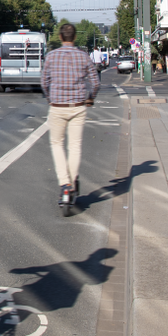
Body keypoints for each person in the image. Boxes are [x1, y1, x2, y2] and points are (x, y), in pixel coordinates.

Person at [41, 23, 100, 208]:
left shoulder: (51, 56)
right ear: (74, 37)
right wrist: (90, 98)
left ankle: (64, 183)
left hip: (57, 106)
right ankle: (72, 184)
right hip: (78, 106)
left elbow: (44, 82)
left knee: (56, 144)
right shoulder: (83, 56)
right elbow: (95, 82)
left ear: (60, 37)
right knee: (75, 146)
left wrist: (50, 98)